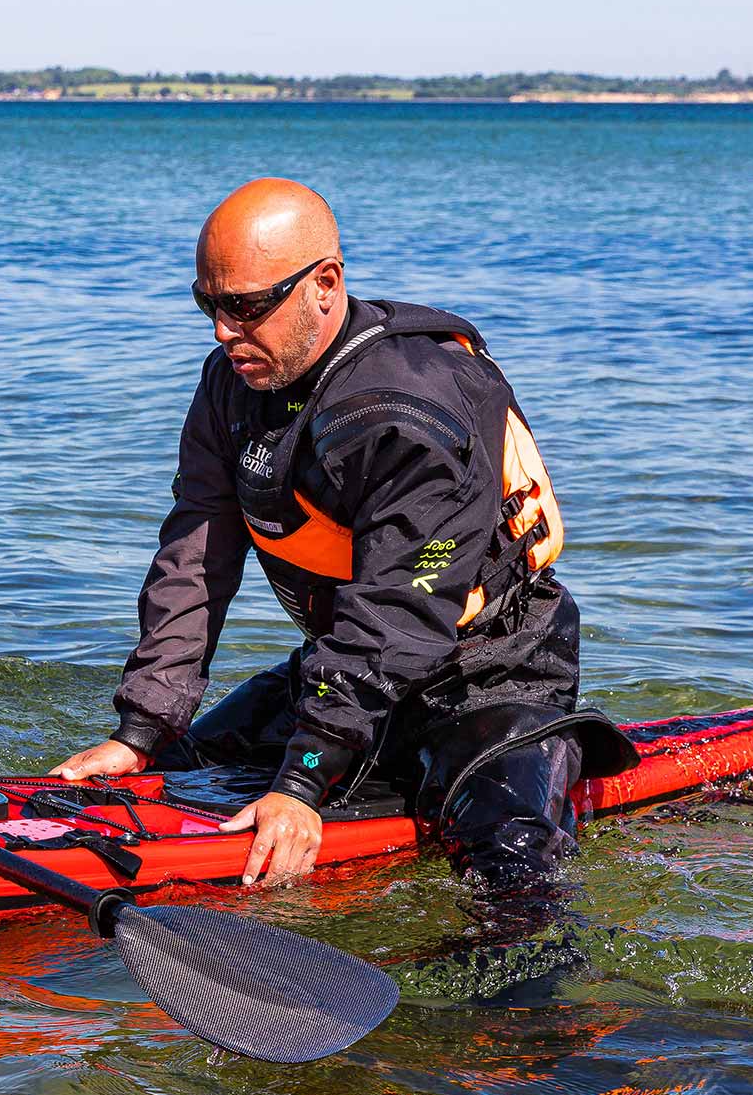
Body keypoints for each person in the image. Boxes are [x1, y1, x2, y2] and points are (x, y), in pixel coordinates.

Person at [53, 179, 634, 920]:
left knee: (513, 884)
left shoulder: (410, 413)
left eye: (245, 307)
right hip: (347, 669)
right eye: (209, 305)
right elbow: (196, 554)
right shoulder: (230, 384)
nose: (223, 333)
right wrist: (142, 730)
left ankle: (531, 1025)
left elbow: (398, 611)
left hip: (490, 681)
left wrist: (300, 785)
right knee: (177, 776)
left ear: (324, 284)